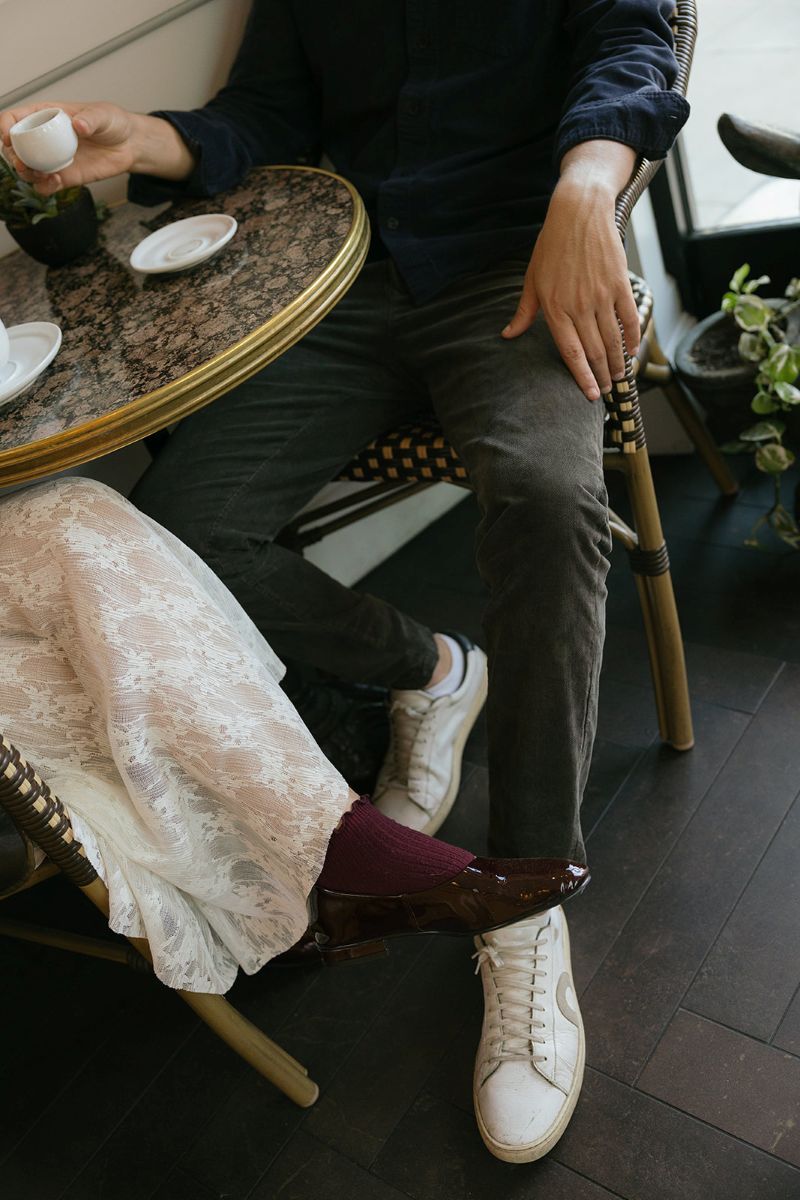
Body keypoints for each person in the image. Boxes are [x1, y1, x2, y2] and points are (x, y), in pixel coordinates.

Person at [0, 0, 689, 1161]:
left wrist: (583, 186)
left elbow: (632, 44)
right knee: (179, 529)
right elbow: (266, 116)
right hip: (347, 289)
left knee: (547, 501)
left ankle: (523, 899)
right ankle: (429, 669)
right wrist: (148, 139)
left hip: (518, 264)